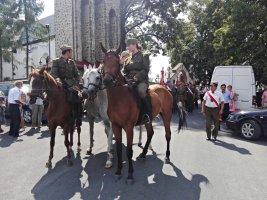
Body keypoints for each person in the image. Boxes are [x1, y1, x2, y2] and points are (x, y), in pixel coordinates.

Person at [50, 45, 82, 126]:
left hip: (72, 84)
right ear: (67, 52)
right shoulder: (56, 61)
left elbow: (77, 74)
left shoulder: (72, 62)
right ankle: (51, 116)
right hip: (62, 84)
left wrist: (77, 83)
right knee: (50, 97)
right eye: (70, 52)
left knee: (79, 97)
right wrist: (58, 81)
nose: (71, 53)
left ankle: (78, 117)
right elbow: (53, 74)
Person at [123, 38, 151, 123]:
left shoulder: (144, 55)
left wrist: (137, 77)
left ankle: (147, 114)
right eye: (127, 46)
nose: (128, 47)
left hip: (141, 81)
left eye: (129, 45)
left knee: (141, 91)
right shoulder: (128, 59)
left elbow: (145, 69)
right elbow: (124, 71)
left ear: (134, 44)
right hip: (129, 81)